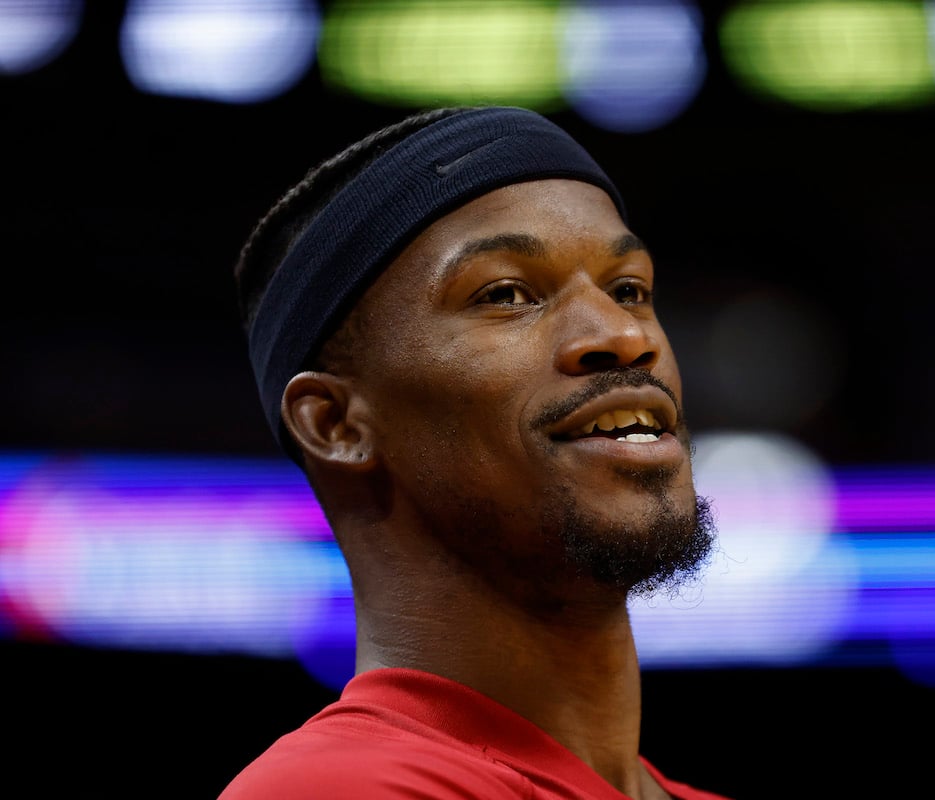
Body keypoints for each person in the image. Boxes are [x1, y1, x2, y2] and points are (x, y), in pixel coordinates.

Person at [219, 104, 730, 800]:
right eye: (507, 294)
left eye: (629, 290)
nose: (621, 334)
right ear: (336, 423)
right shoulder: (338, 788)